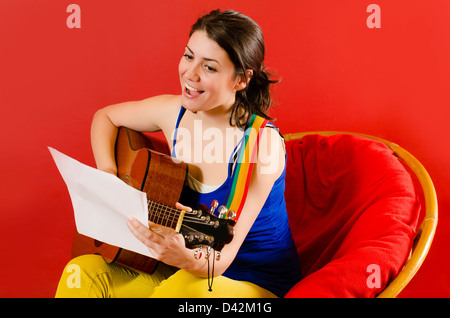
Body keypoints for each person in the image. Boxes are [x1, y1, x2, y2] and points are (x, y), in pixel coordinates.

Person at [55, 9, 301, 298]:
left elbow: (220, 259)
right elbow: (105, 118)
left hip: (255, 283)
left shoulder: (261, 146)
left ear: (241, 80)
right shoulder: (175, 113)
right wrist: (109, 175)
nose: (190, 73)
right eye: (188, 56)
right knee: (82, 274)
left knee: (179, 292)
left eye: (209, 67)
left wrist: (181, 255)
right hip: (184, 269)